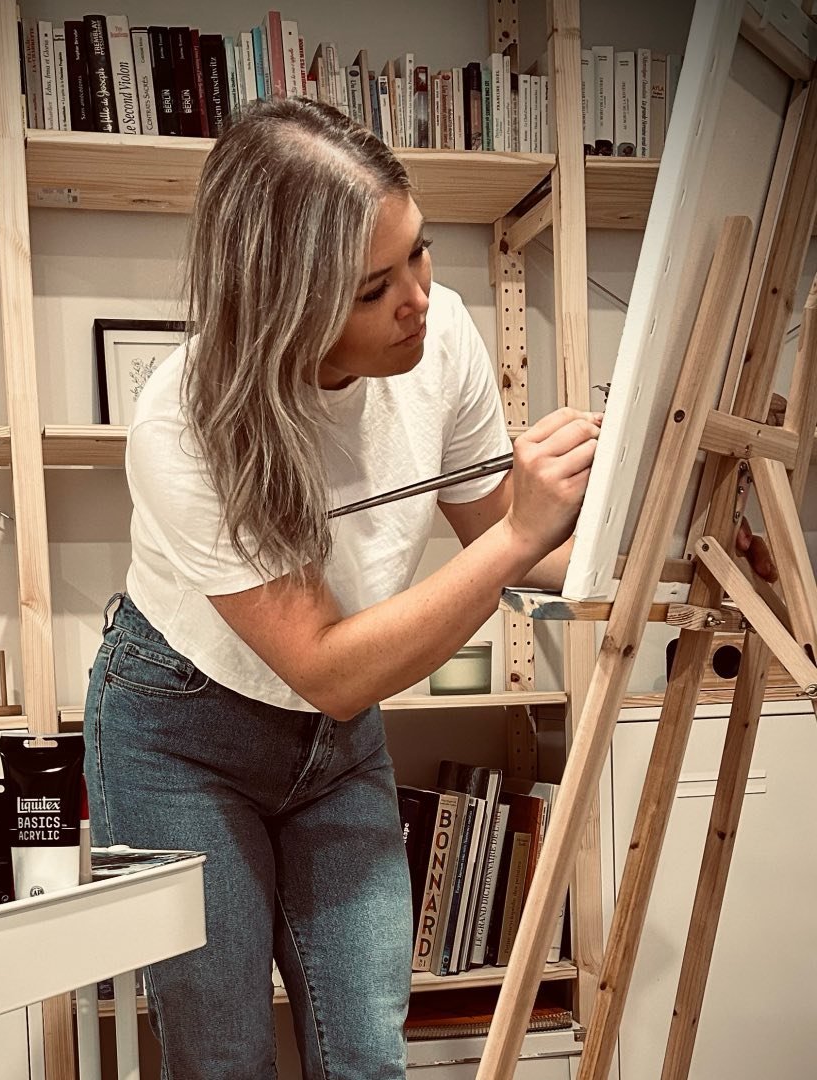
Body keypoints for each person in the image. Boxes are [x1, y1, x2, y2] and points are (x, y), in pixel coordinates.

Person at [82, 96, 600, 1080]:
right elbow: (329, 665)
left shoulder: (441, 335)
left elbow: (507, 542)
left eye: (420, 252)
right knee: (225, 1057)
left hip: (333, 746)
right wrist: (524, 531)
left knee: (366, 1054)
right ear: (285, 302)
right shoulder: (184, 423)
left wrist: (652, 544)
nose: (416, 295)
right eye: (372, 288)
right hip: (179, 739)